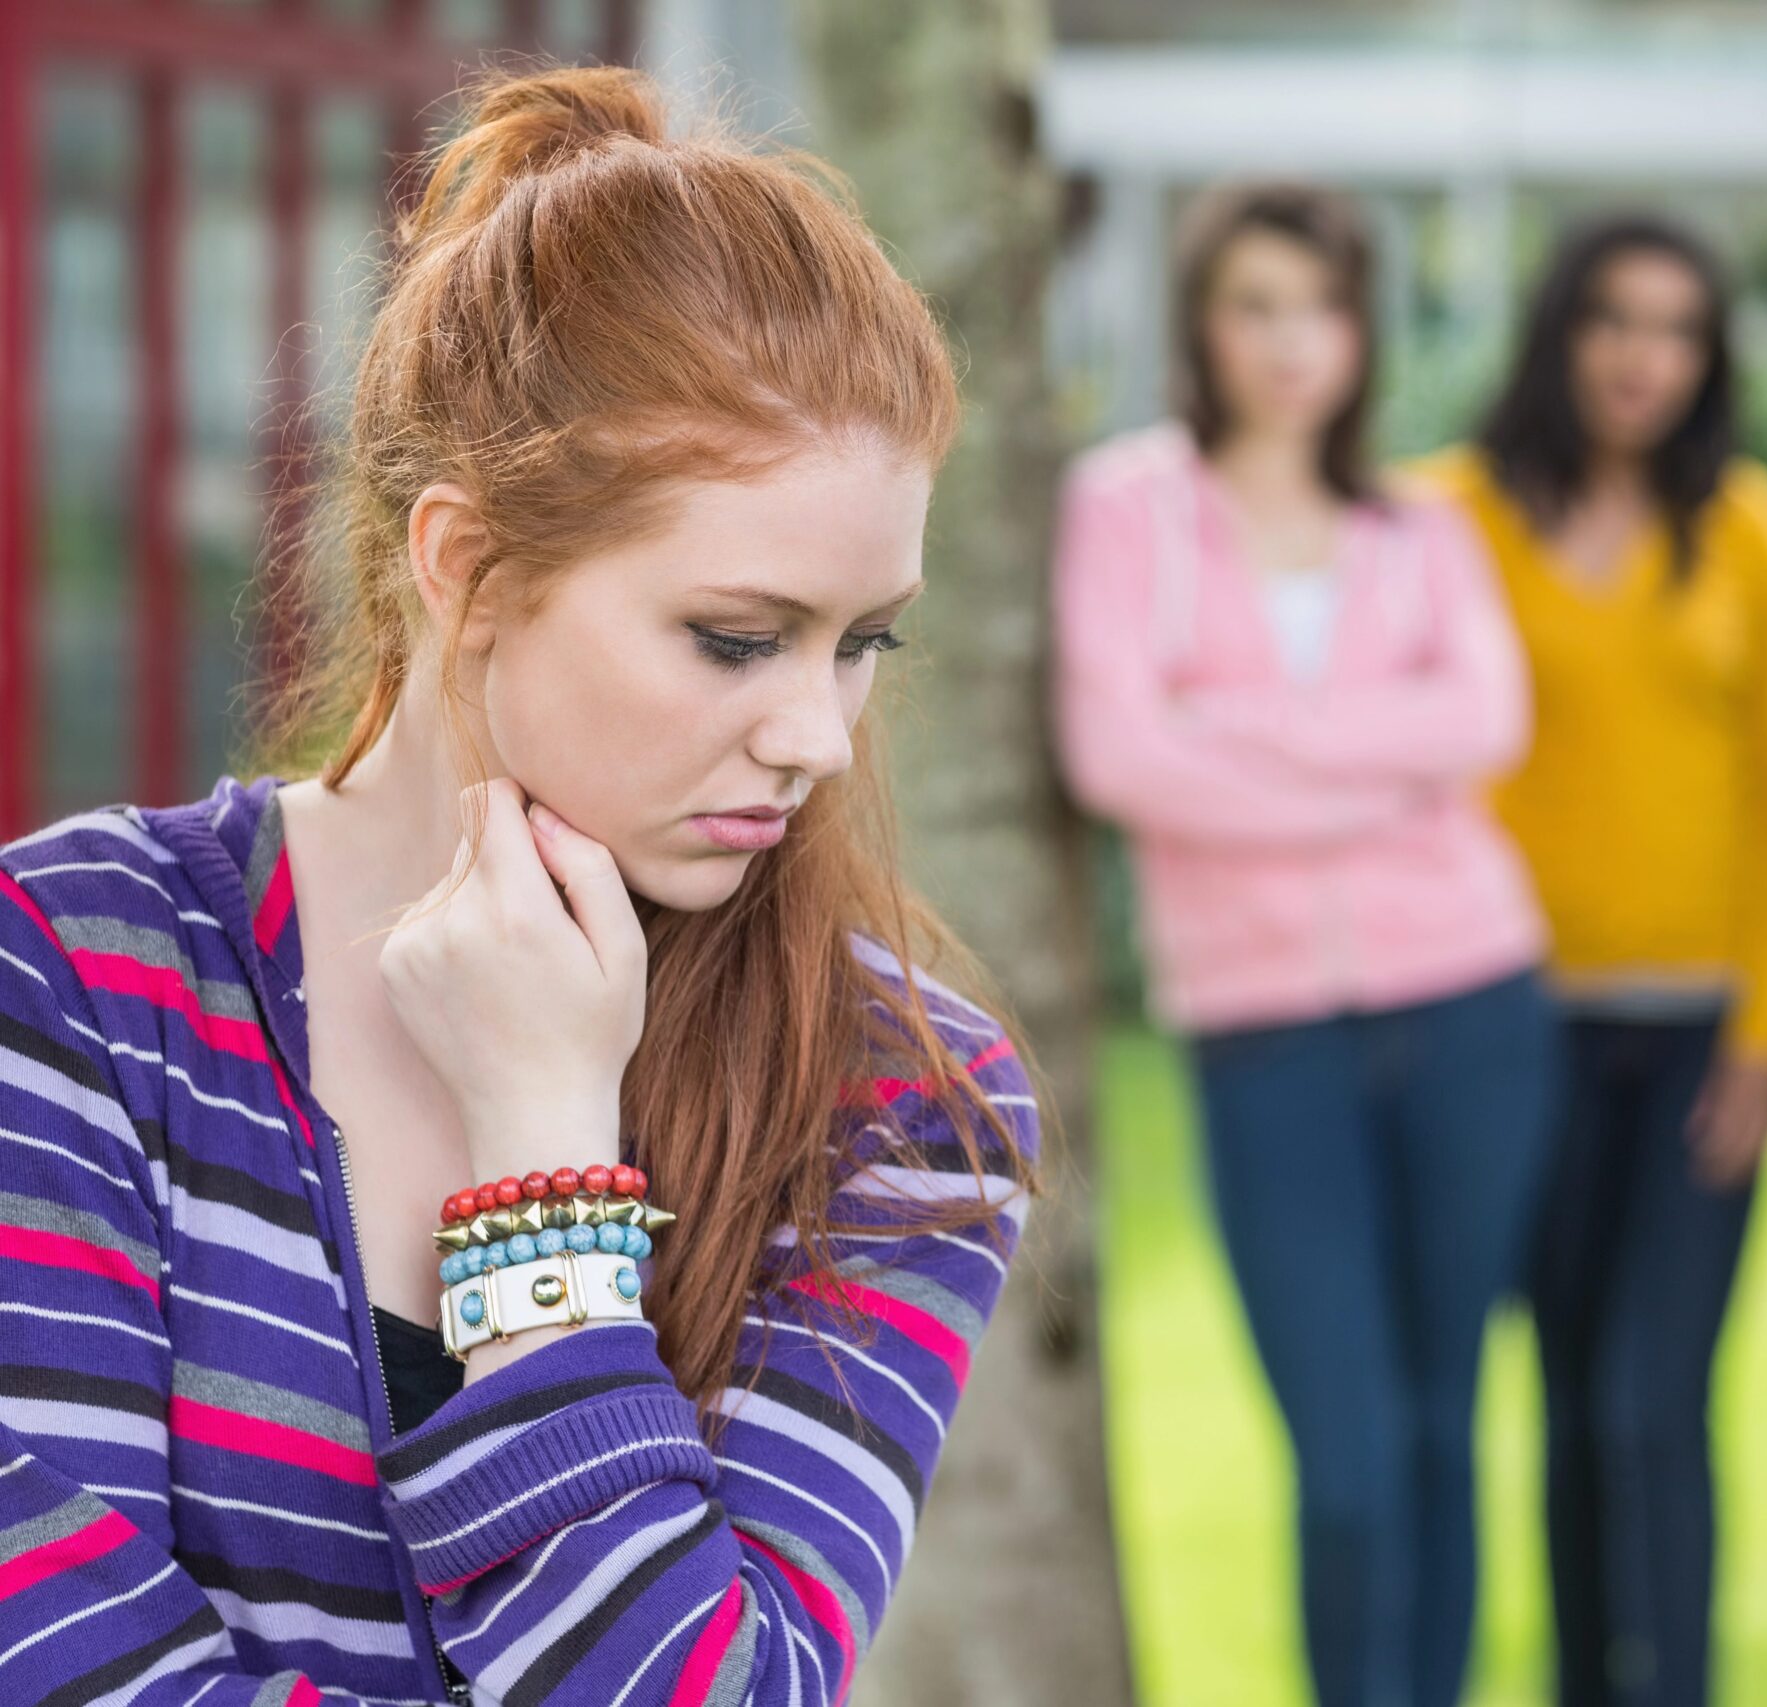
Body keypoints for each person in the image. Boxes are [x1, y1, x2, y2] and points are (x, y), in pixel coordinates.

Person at [0, 68, 1036, 1706]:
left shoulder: (900, 1098)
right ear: (465, 567)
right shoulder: (72, 979)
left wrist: (545, 1145)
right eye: (738, 638)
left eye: (864, 643)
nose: (818, 737)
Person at [1052, 182, 1554, 1707]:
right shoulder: (1126, 508)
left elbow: (1490, 722)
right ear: (1201, 321)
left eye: (1323, 308)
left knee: (1439, 1425)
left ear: (1363, 332)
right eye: (1256, 304)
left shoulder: (1424, 524)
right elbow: (1120, 757)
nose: (1292, 343)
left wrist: (1247, 737)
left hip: (1474, 1000)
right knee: (1343, 1455)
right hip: (1264, 1029)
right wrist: (1378, 767)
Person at [1414, 215, 1767, 1707]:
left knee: (1648, 1402)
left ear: (1710, 357)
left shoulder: (1754, 533)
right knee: (1563, 1402)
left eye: (1675, 328)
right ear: (1559, 332)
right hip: (1503, 1029)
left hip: (1697, 1040)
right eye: (1612, 319)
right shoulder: (1448, 514)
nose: (1640, 357)